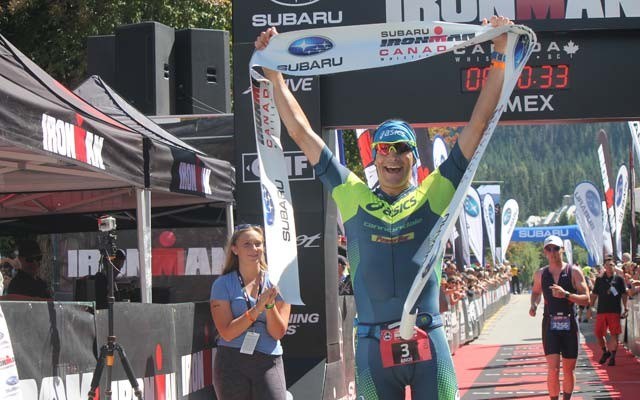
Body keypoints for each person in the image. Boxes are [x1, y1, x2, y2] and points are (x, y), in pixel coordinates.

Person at [255, 15, 513, 399]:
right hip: (374, 344)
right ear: (374, 157)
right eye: (384, 150)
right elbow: (301, 133)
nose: (393, 157)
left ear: (413, 157)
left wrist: (500, 57)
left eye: (402, 149)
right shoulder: (353, 192)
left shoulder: (433, 191)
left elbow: (476, 126)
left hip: (428, 336)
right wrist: (276, 79)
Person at [209, 224, 291, 400]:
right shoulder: (222, 284)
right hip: (231, 361)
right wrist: (257, 309)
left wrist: (269, 306)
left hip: (269, 360)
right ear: (234, 249)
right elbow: (227, 333)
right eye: (247, 244)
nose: (254, 249)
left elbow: (278, 332)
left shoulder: (278, 282)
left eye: (258, 244)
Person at [529, 235, 590, 400]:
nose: (553, 252)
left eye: (556, 248)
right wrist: (534, 305)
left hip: (569, 323)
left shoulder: (574, 271)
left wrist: (567, 295)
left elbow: (586, 298)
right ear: (545, 252)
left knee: (569, 369)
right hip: (550, 323)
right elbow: (535, 292)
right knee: (553, 369)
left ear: (562, 249)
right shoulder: (541, 274)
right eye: (549, 249)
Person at [590, 256, 628, 366]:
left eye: (611, 265)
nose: (609, 267)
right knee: (598, 333)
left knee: (614, 334)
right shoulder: (599, 279)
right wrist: (590, 307)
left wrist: (625, 307)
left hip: (614, 310)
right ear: (604, 267)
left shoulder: (619, 279)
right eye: (607, 265)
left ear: (614, 266)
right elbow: (594, 294)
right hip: (601, 310)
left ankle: (613, 356)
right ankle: (605, 351)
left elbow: (624, 294)